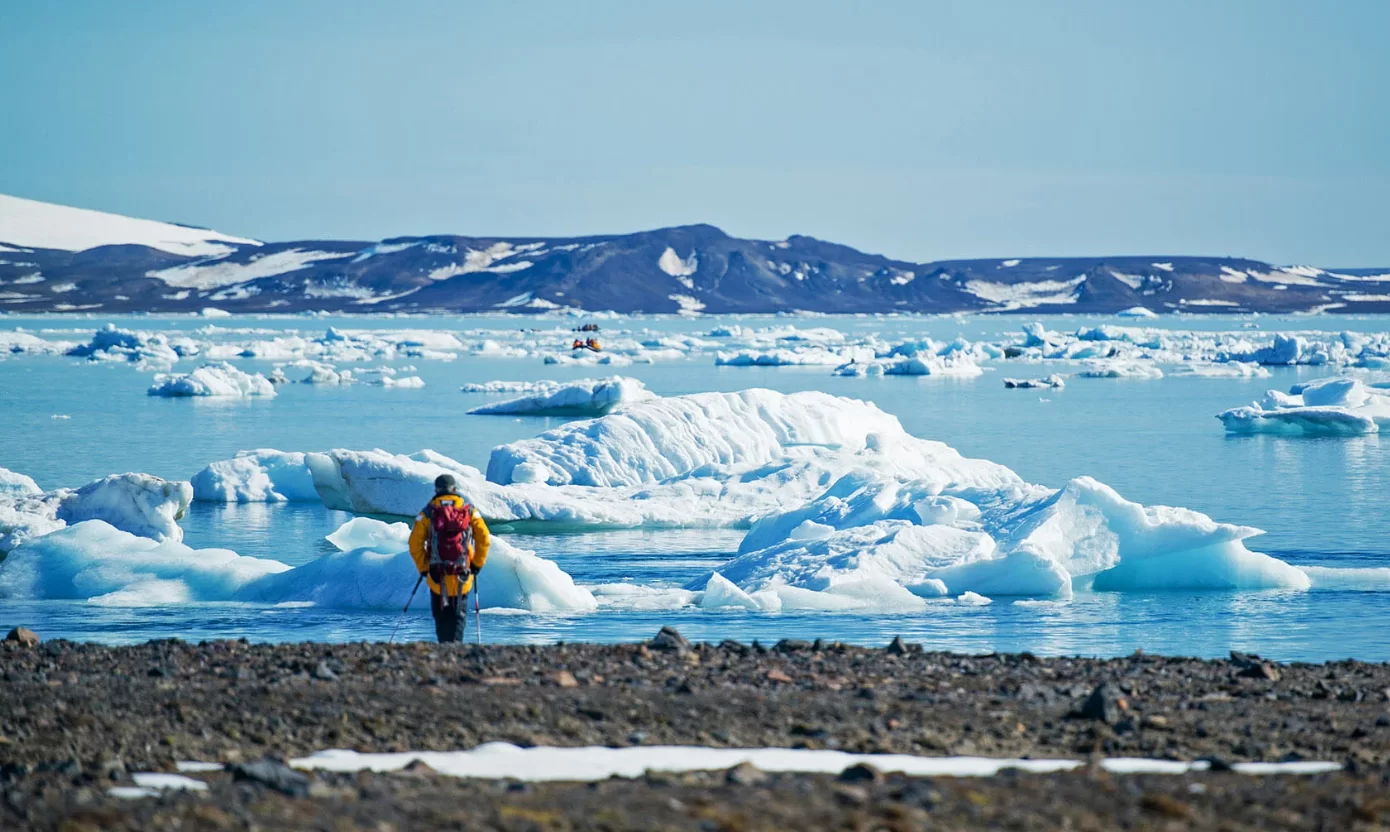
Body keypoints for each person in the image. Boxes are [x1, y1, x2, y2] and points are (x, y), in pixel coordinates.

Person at [408, 474, 490, 642]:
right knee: (458, 617)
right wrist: (477, 564)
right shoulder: (468, 511)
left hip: (437, 575)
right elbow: (484, 538)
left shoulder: (428, 512)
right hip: (463, 573)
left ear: (436, 490)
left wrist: (424, 567)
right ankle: (456, 649)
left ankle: (444, 650)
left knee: (441, 617)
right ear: (455, 489)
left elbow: (414, 543)